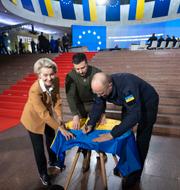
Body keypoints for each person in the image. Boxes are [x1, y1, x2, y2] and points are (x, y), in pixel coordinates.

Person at [83, 72, 159, 188]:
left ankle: (135, 174)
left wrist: (112, 134)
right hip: (129, 104)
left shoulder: (127, 87)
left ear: (110, 85)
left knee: (142, 139)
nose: (99, 96)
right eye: (96, 93)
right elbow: (99, 104)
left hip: (147, 104)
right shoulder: (100, 89)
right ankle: (125, 165)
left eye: (102, 93)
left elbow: (135, 115)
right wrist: (91, 123)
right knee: (126, 135)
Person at [21, 58, 74, 186]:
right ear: (39, 75)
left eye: (51, 74)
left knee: (51, 140)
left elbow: (57, 100)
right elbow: (42, 113)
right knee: (39, 149)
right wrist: (60, 128)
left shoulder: (55, 80)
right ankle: (43, 173)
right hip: (33, 119)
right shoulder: (34, 90)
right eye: (45, 75)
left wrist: (60, 117)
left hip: (47, 117)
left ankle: (53, 161)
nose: (49, 78)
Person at [65, 53, 106, 172]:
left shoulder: (97, 72)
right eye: (77, 68)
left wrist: (102, 112)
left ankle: (101, 152)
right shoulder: (71, 76)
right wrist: (75, 115)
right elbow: (70, 96)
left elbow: (102, 95)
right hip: (80, 106)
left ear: (87, 63)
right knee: (83, 131)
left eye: (83, 67)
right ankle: (85, 156)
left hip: (95, 104)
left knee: (97, 128)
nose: (80, 71)